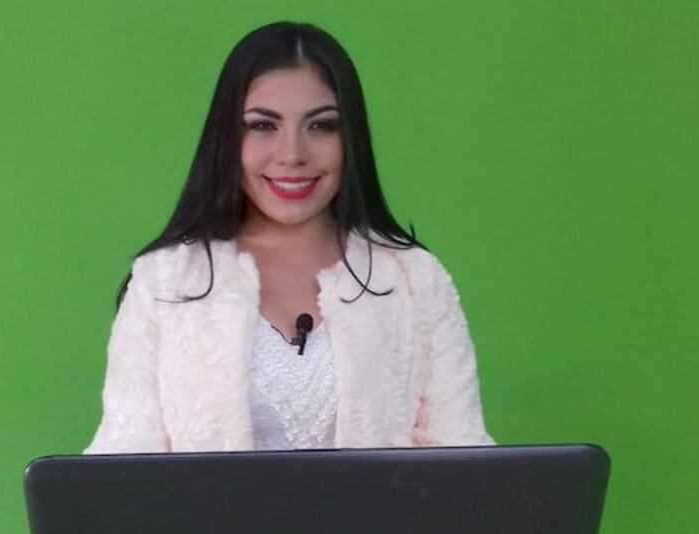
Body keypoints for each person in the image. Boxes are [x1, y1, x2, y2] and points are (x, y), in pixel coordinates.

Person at [84, 21, 493, 454]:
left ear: (351, 138)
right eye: (263, 125)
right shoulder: (163, 282)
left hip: (384, 506)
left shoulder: (415, 281)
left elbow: (463, 459)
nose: (292, 154)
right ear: (226, 137)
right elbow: (122, 468)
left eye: (322, 126)